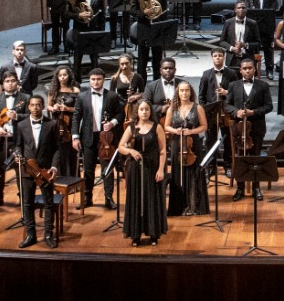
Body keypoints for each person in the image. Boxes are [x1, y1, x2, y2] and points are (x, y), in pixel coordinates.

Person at [14, 93, 65, 249]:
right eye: (33, 105)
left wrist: (54, 167)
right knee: (27, 203)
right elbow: (18, 146)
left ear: (43, 107)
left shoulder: (52, 124)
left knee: (48, 203)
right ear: (28, 107)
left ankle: (48, 234)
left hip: (45, 171)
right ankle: (31, 234)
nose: (35, 108)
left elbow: (57, 148)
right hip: (27, 170)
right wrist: (17, 155)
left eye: (38, 105)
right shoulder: (21, 125)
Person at [71, 68, 123, 210]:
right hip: (88, 137)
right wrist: (75, 137)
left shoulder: (112, 96)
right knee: (88, 170)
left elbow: (120, 114)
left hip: (106, 139)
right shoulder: (82, 96)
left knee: (107, 169)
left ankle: (108, 198)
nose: (96, 82)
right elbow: (76, 118)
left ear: (103, 80)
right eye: (93, 79)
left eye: (98, 79)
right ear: (89, 80)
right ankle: (87, 198)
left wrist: (112, 123)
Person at [120, 97, 169, 245]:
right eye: (141, 109)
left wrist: (161, 169)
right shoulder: (132, 128)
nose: (144, 112)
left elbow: (162, 150)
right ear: (137, 111)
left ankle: (154, 233)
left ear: (150, 111)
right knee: (136, 198)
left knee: (152, 199)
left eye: (147, 109)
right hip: (136, 168)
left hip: (152, 167)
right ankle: (136, 235)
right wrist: (131, 151)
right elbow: (121, 146)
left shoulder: (157, 127)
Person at [226, 58, 272, 196]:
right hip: (239, 129)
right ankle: (240, 189)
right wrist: (236, 112)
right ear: (240, 70)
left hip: (257, 127)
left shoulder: (263, 85)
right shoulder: (233, 85)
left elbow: (269, 106)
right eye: (244, 68)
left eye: (250, 68)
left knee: (255, 157)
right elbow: (227, 105)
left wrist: (254, 112)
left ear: (255, 69)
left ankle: (256, 188)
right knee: (240, 157)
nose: (247, 70)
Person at [163, 79, 209, 215]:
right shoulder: (172, 108)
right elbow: (166, 126)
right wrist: (175, 131)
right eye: (182, 90)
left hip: (192, 143)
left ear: (191, 92)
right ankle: (179, 207)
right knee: (178, 174)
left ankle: (194, 206)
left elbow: (204, 126)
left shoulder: (198, 107)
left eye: (187, 90)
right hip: (177, 142)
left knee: (194, 173)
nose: (184, 93)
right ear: (178, 92)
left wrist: (191, 131)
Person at [0, 70, 24, 207]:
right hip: (0, 141)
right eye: (7, 81)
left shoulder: (25, 97)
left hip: (18, 141)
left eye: (13, 81)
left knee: (21, 170)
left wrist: (17, 117)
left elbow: (32, 116)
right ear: (2, 84)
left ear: (17, 82)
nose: (10, 84)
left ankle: (23, 198)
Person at [69, 0, 109, 73]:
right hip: (79, 31)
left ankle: (95, 83)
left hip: (94, 32)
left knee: (95, 60)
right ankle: (76, 83)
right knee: (77, 61)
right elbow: (67, 13)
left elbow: (102, 16)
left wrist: (101, 33)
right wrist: (79, 15)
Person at [133, 0, 171, 74]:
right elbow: (133, 11)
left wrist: (163, 29)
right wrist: (144, 12)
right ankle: (142, 87)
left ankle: (157, 85)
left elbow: (164, 12)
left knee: (157, 61)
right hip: (143, 29)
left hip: (157, 29)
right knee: (142, 62)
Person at [47, 65, 82, 172]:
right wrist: (53, 108)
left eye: (64, 75)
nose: (62, 77)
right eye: (60, 75)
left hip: (70, 123)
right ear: (57, 77)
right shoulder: (53, 90)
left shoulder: (75, 89)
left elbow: (79, 108)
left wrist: (67, 108)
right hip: (57, 122)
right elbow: (48, 106)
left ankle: (72, 176)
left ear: (69, 76)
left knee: (70, 150)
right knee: (58, 148)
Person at [222, 1, 262, 73]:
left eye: (243, 8)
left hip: (247, 57)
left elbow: (258, 43)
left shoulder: (252, 23)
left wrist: (245, 45)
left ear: (246, 10)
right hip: (232, 58)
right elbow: (222, 41)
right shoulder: (228, 22)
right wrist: (232, 48)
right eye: (239, 8)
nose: (241, 10)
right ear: (235, 10)